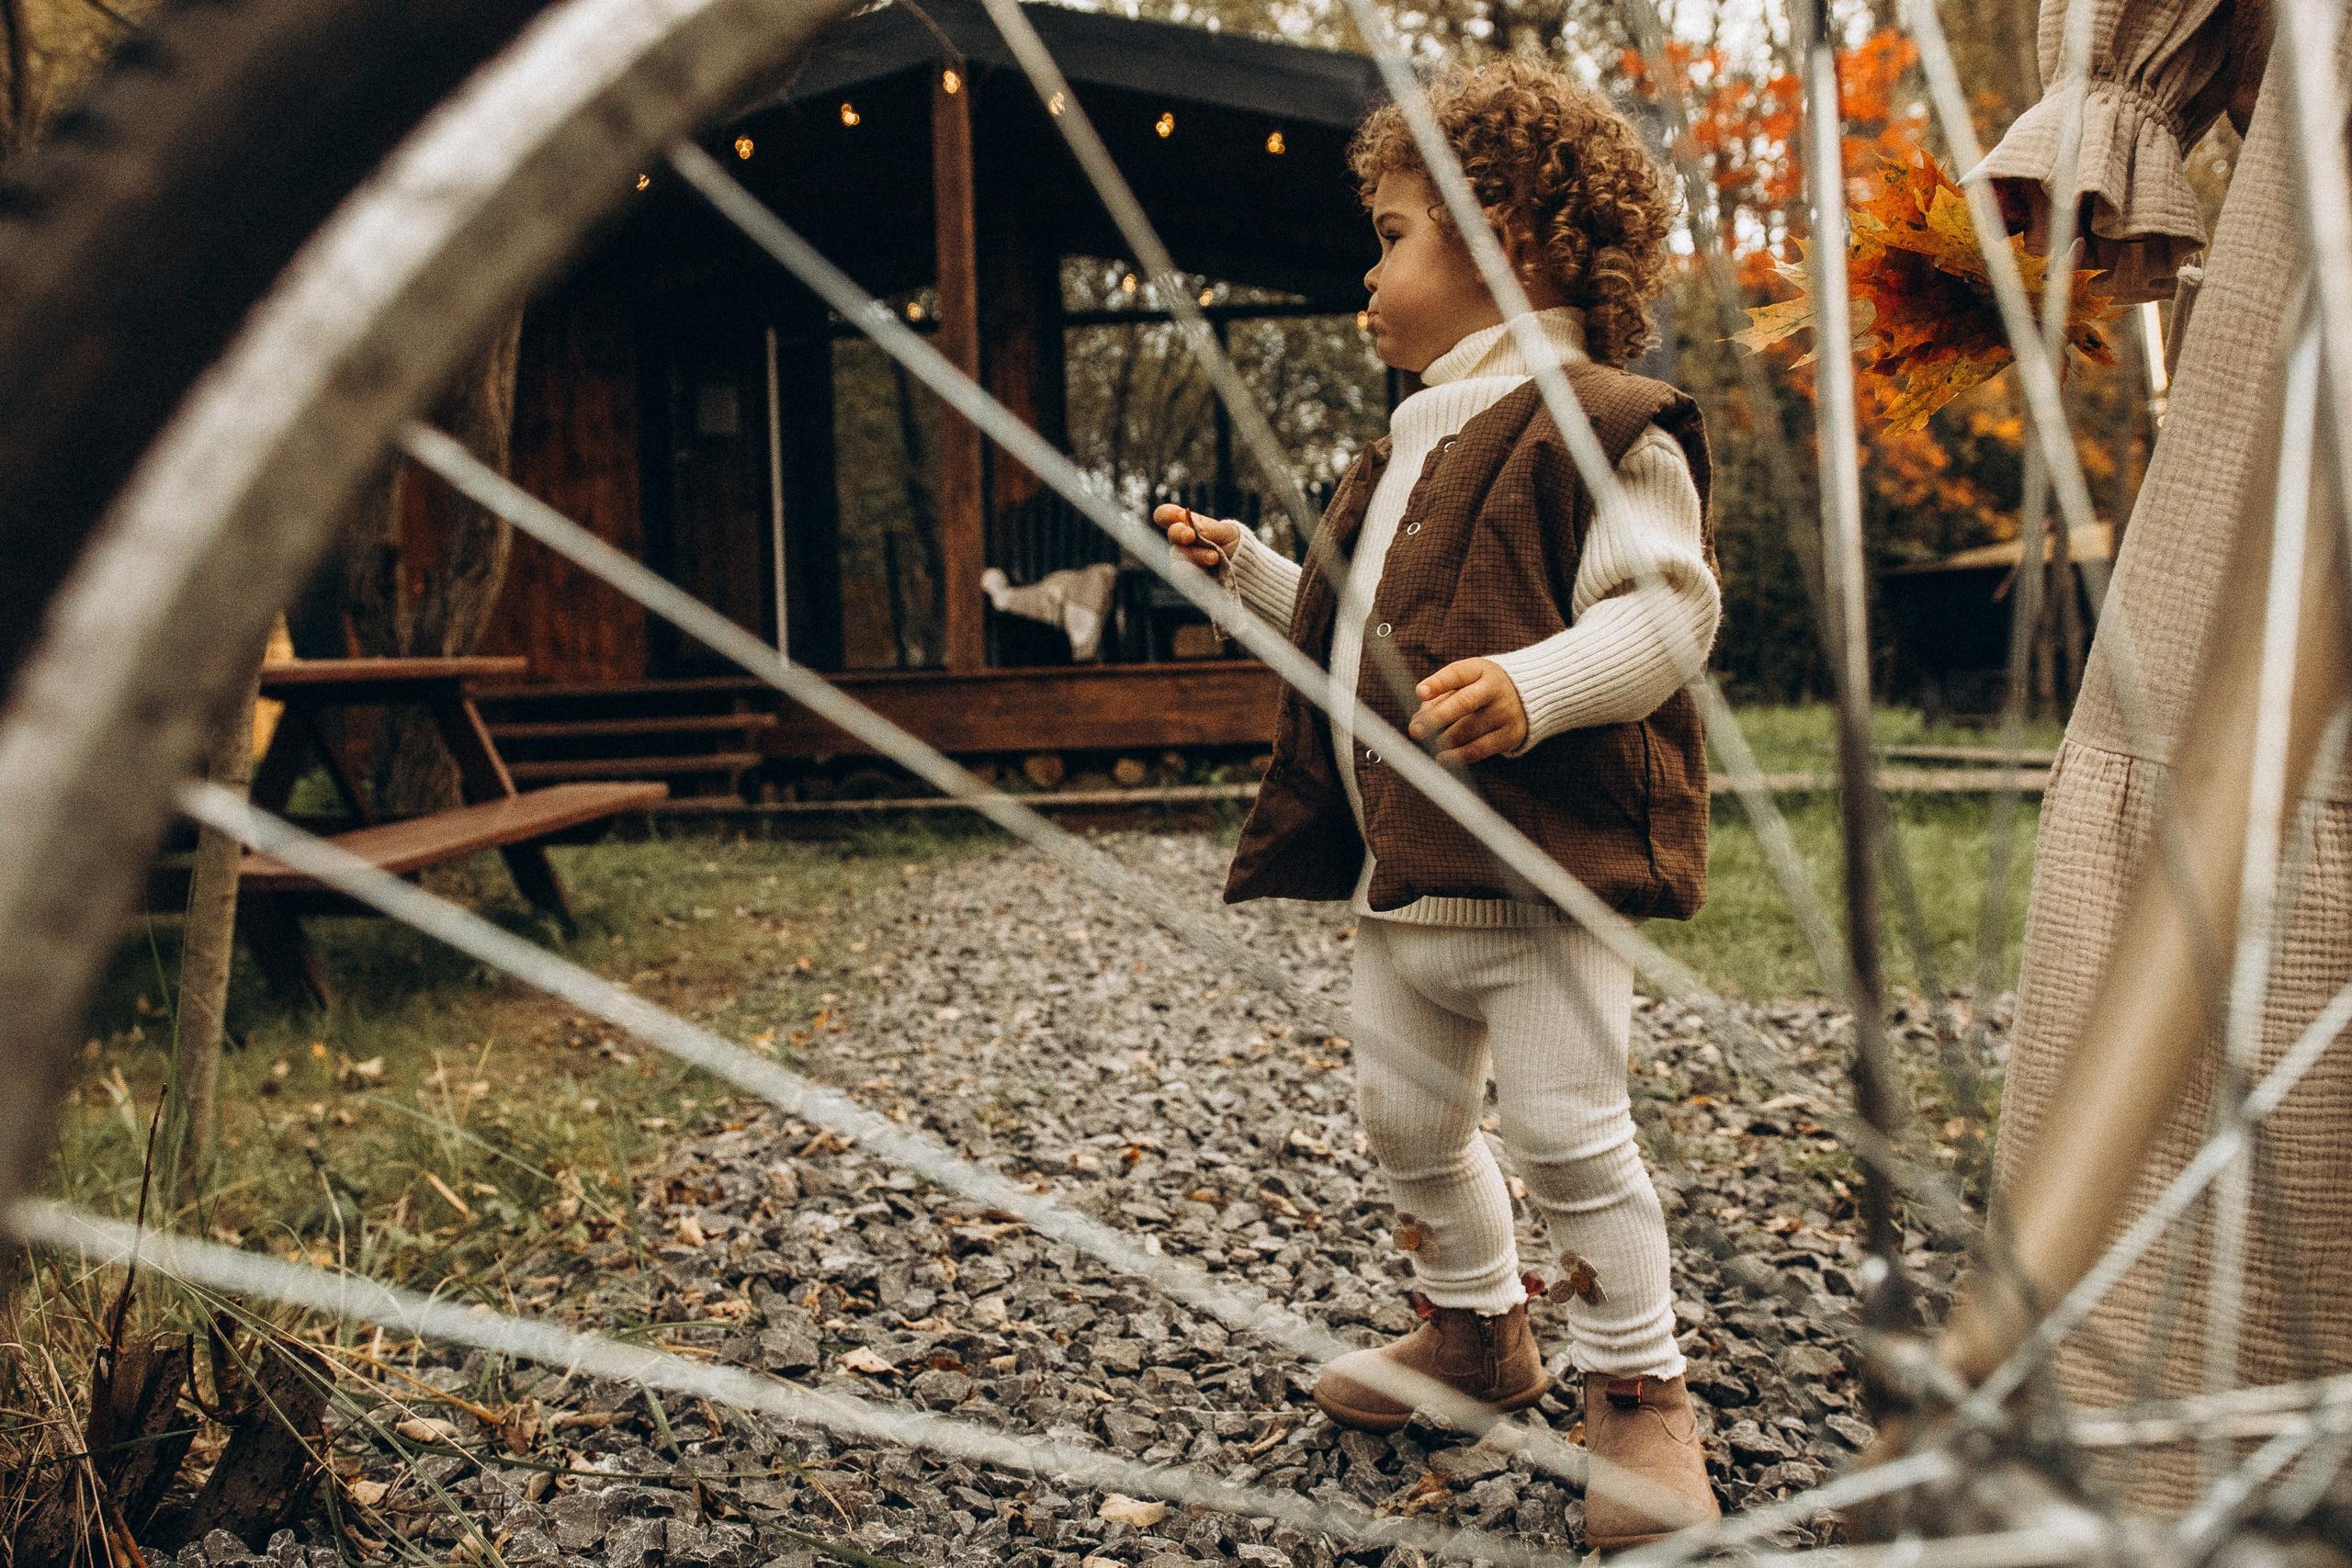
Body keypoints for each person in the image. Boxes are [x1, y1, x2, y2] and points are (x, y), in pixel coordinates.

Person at [1150, 57, 1721, 1550]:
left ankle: (1640, 1394)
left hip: (1541, 879)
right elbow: (1356, 636)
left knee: (1570, 1137)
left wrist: (1539, 684)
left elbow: (1669, 618)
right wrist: (1253, 578)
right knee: (1406, 1119)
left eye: (1395, 234)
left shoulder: (1604, 420)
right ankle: (1474, 1331)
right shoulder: (1401, 446)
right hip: (1401, 878)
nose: (1369, 268)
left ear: (1512, 237)